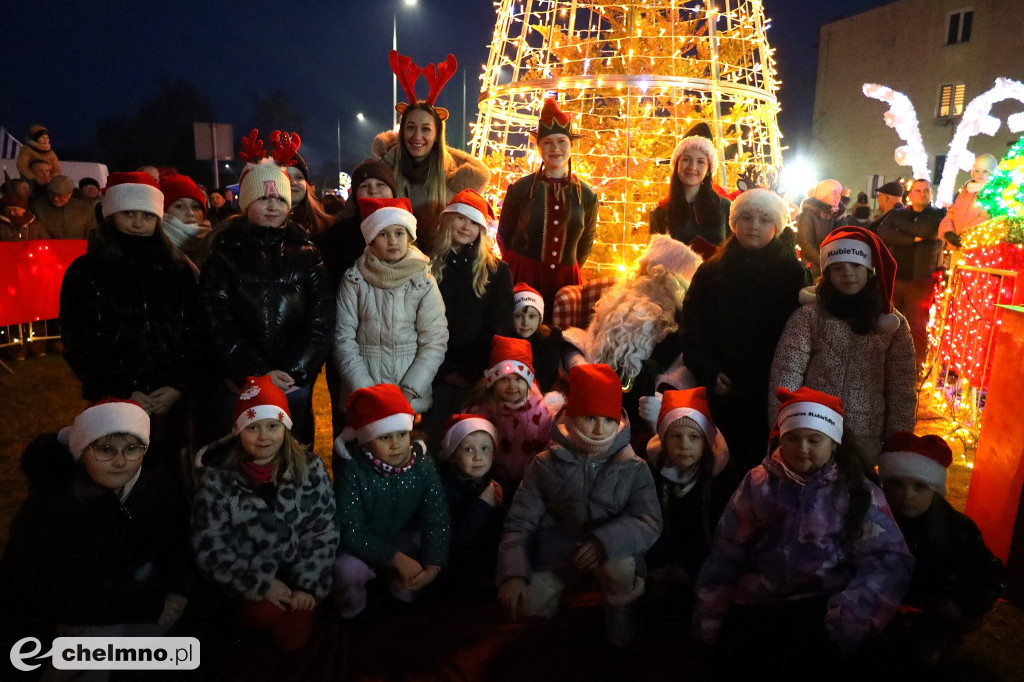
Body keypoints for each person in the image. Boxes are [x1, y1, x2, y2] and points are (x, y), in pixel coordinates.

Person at [695, 387, 913, 676]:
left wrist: (852, 615)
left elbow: (889, 559)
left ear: (834, 442)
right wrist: (710, 614)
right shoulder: (757, 483)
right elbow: (728, 549)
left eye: (815, 439)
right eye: (792, 438)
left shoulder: (857, 492)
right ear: (780, 438)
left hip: (826, 606)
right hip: (763, 600)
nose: (803, 447)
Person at [0, 401, 192, 664]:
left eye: (132, 449)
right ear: (82, 451)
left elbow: (172, 538)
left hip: (123, 585)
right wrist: (148, 603)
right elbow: (51, 588)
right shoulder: (52, 503)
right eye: (105, 450)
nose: (120, 461)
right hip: (68, 608)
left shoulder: (154, 481)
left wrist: (177, 591)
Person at [497, 363, 661, 647]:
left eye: (609, 420)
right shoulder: (544, 464)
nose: (600, 429)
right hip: (562, 552)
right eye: (590, 417)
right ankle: (563, 592)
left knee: (620, 566)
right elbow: (520, 522)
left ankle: (618, 605)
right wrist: (513, 573)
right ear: (572, 417)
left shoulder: (634, 467)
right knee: (525, 605)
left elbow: (648, 520)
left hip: (611, 556)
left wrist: (604, 543)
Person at [60, 172, 200, 486]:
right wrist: (123, 388)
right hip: (114, 398)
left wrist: (178, 384)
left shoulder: (177, 271)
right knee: (120, 475)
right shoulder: (87, 273)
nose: (138, 223)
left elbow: (196, 331)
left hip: (172, 401)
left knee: (174, 477)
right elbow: (80, 340)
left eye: (147, 215)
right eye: (129, 213)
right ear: (111, 215)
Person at [197, 130, 334, 446]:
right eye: (262, 198)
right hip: (242, 382)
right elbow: (216, 320)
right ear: (245, 203)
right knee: (245, 452)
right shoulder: (225, 255)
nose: (272, 206)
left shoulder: (307, 254)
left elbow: (321, 317)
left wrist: (295, 370)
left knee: (292, 451)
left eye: (278, 198)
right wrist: (254, 372)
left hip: (292, 384)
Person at [192, 376, 338, 652]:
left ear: (285, 427)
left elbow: (323, 529)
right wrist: (260, 584)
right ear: (238, 431)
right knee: (264, 616)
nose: (264, 437)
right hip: (249, 578)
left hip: (297, 578)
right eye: (253, 427)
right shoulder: (218, 480)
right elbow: (210, 546)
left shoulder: (310, 469)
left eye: (273, 426)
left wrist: (308, 585)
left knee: (293, 640)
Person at [679, 188, 810, 473]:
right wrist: (709, 370)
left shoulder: (791, 274)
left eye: (764, 219)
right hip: (720, 387)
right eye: (747, 218)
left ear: (776, 226)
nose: (754, 225)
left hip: (769, 390)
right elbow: (691, 325)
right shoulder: (713, 270)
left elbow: (797, 334)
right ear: (734, 223)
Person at [769, 226, 917, 462]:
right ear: (827, 273)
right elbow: (787, 374)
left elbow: (901, 388)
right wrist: (783, 429)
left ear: (869, 270)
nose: (847, 273)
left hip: (865, 435)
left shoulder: (892, 324)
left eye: (856, 266)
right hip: (812, 434)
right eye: (837, 268)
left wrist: (898, 443)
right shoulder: (809, 317)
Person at [878, 431, 1005, 664]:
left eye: (919, 487)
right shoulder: (873, 519)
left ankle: (933, 642)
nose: (906, 495)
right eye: (896, 484)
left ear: (934, 489)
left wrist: (960, 603)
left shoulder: (958, 528)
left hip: (935, 603)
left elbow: (984, 572)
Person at [561, 234, 702, 443]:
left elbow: (682, 369)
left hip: (640, 415)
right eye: (643, 273)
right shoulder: (614, 305)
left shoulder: (681, 321)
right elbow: (586, 339)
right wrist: (577, 361)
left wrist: (665, 402)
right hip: (595, 403)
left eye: (656, 276)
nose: (645, 281)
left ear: (674, 286)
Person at [332, 384, 451, 619]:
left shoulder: (422, 465)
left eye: (402, 434)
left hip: (401, 537)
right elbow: (350, 529)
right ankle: (352, 611)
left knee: (422, 547)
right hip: (360, 546)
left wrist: (433, 564)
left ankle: (403, 597)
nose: (396, 444)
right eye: (384, 436)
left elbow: (436, 516)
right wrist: (393, 558)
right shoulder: (352, 470)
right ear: (365, 440)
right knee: (346, 571)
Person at [333, 196, 448, 415]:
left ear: (409, 237)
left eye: (399, 233)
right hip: (365, 393)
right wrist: (367, 392)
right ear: (372, 239)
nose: (392, 241)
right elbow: (343, 339)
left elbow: (434, 340)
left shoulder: (423, 281)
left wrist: (409, 391)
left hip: (408, 396)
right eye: (383, 234)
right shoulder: (354, 280)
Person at [374, 51, 490, 255]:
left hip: (441, 268)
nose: (417, 136)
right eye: (410, 127)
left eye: (426, 129)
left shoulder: (456, 178)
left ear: (437, 135)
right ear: (402, 131)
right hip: (394, 265)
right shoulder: (383, 171)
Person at [314, 159, 398, 437]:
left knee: (389, 428)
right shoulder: (335, 236)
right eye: (365, 186)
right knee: (348, 425)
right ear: (355, 193)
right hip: (348, 344)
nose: (373, 191)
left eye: (381, 185)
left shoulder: (406, 233)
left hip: (393, 347)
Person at [496, 98, 599, 319]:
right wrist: (516, 269)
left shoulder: (588, 196)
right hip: (522, 278)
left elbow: (585, 243)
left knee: (560, 340)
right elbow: (504, 234)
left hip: (565, 284)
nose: (555, 149)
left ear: (571, 145)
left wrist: (566, 267)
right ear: (538, 146)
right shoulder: (520, 190)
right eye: (548, 143)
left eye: (562, 141)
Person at [427, 188, 513, 436]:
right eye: (461, 218)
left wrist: (468, 370)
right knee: (436, 437)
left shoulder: (496, 271)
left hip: (476, 376)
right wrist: (443, 370)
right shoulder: (427, 263)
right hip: (435, 372)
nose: (466, 227)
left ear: (482, 230)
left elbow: (499, 325)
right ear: (448, 221)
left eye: (474, 222)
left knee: (472, 437)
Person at [643, 388, 735, 590]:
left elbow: (722, 529)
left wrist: (688, 565)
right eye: (675, 436)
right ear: (664, 441)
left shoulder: (719, 478)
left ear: (706, 442)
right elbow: (647, 520)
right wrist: (661, 561)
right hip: (665, 549)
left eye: (693, 437)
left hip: (705, 552)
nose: (684, 445)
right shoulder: (652, 472)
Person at [467, 335, 561, 490]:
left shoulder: (539, 411)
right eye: (504, 379)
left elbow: (547, 443)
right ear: (493, 382)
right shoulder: (483, 411)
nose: (512, 386)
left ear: (528, 382)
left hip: (528, 481)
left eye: (518, 379)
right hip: (488, 480)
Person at [877, 178, 947, 369]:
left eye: (926, 190)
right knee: (891, 323)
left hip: (921, 281)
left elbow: (931, 231)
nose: (922, 194)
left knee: (917, 326)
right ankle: (888, 363)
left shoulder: (939, 215)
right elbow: (883, 232)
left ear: (931, 194)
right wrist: (914, 238)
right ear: (910, 194)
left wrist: (902, 229)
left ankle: (914, 367)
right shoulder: (899, 213)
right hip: (896, 278)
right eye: (917, 190)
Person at [437, 414, 506, 589]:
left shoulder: (497, 478)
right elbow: (449, 541)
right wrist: (483, 505)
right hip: (458, 570)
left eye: (485, 448)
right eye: (468, 449)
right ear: (452, 455)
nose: (478, 457)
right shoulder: (442, 489)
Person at [648, 127, 730, 247]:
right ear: (677, 165)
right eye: (686, 159)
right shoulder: (660, 214)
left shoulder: (726, 207)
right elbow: (653, 259)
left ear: (708, 170)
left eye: (700, 162)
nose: (692, 167)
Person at [940, 153, 998, 254]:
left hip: (975, 248)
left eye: (985, 171)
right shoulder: (965, 192)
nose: (980, 175)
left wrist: (962, 235)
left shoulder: (992, 194)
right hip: (955, 247)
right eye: (977, 171)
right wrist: (948, 231)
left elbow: (985, 219)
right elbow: (950, 214)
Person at [511, 283, 563, 393]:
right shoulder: (505, 338)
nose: (525, 322)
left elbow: (548, 376)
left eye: (531, 316)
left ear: (539, 319)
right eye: (518, 316)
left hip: (539, 394)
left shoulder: (549, 341)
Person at [159, 173, 211, 275]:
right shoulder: (157, 249)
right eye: (179, 206)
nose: (190, 213)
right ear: (164, 212)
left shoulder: (215, 245)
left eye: (196, 207)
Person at [796, 179, 847, 274]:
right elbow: (806, 244)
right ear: (823, 196)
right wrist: (826, 262)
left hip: (831, 269)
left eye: (839, 193)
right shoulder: (808, 215)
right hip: (813, 270)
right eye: (834, 193)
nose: (838, 197)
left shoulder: (837, 215)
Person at [30, 174, 97, 239]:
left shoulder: (85, 209)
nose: (55, 198)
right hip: (48, 249)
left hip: (77, 249)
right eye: (52, 193)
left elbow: (92, 237)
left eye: (60, 195)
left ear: (70, 194)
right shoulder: (37, 208)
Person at [285, 149, 333, 237]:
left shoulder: (328, 225)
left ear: (307, 184)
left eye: (299, 177)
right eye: (287, 177)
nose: (293, 183)